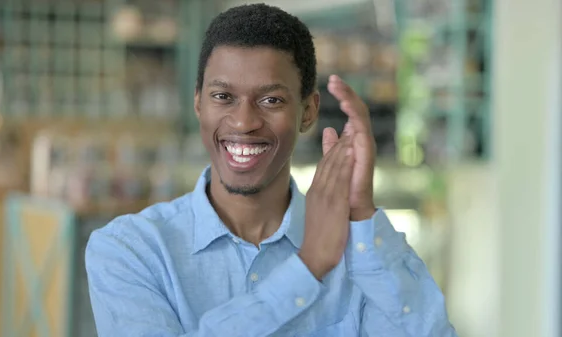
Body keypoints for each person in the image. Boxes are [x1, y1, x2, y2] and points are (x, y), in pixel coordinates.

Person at [85, 3, 457, 337]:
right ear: (198, 102)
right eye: (222, 97)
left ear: (308, 112)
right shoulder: (130, 249)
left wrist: (361, 215)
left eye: (271, 100)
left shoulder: (358, 254)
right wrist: (307, 269)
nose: (244, 122)